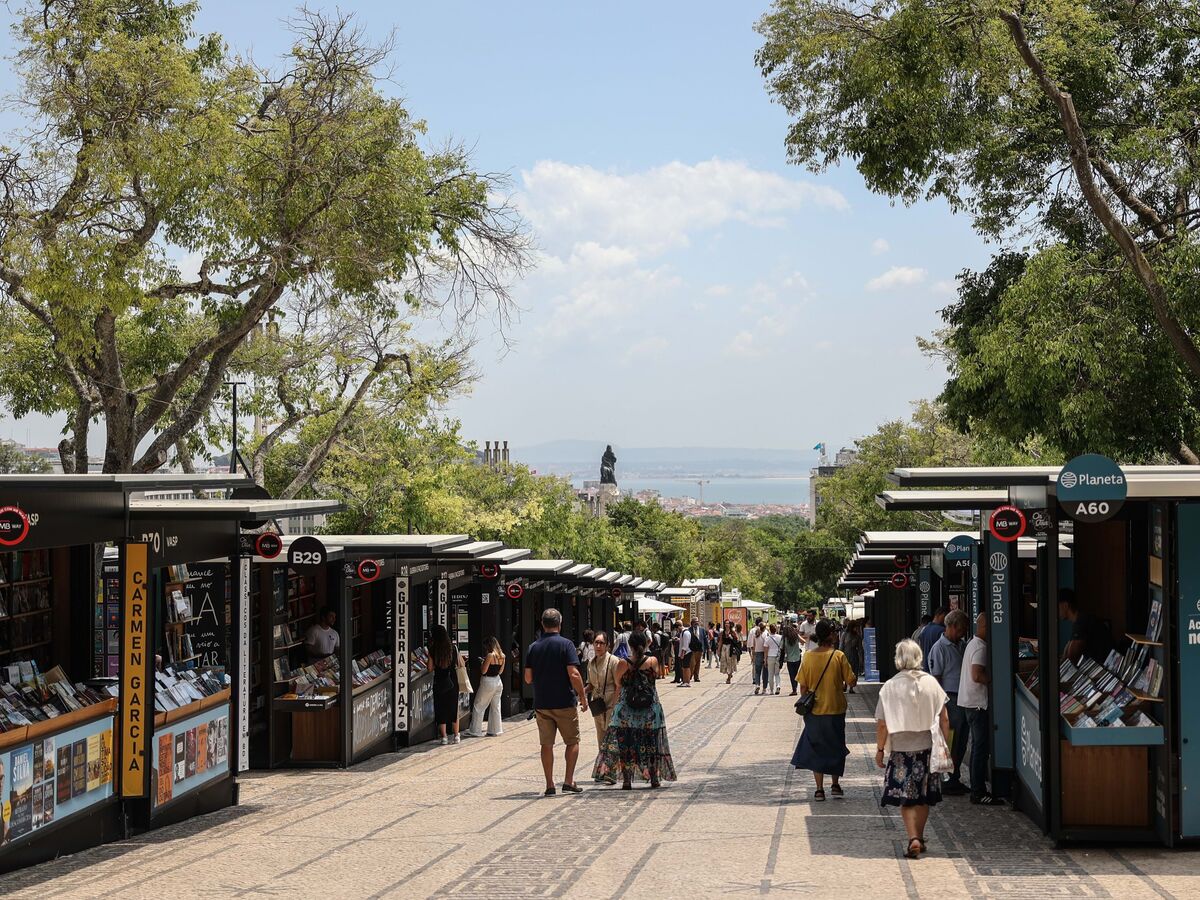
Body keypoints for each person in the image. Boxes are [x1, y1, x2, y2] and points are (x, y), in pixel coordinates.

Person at [875, 639, 951, 860]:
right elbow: (945, 719)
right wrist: (944, 746)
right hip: (927, 748)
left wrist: (880, 749)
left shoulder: (890, 686)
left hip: (901, 750)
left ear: (898, 659)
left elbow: (882, 724)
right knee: (923, 796)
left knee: (906, 797)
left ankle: (913, 838)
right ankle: (920, 835)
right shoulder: (931, 683)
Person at [592, 631, 677, 789]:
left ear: (629, 645)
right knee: (651, 744)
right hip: (650, 709)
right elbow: (657, 676)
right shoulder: (653, 661)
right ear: (645, 644)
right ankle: (654, 778)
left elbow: (618, 683)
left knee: (626, 745)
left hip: (627, 710)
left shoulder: (623, 663)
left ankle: (626, 780)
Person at [524, 608, 589, 795]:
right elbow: (574, 674)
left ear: (542, 624)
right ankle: (568, 781)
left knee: (546, 744)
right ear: (559, 624)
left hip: (542, 703)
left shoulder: (533, 647)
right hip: (564, 702)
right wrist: (582, 696)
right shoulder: (566, 645)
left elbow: (528, 678)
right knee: (572, 741)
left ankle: (549, 784)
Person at [791, 620, 857, 800]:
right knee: (836, 747)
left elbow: (803, 687)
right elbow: (851, 681)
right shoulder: (838, 656)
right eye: (834, 632)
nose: (836, 635)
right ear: (830, 635)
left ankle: (819, 789)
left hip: (814, 712)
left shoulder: (808, 657)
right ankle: (835, 785)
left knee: (817, 748)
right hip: (835, 709)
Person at [958, 611, 1003, 806]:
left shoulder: (973, 643)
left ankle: (978, 788)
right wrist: (994, 681)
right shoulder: (980, 647)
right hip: (977, 705)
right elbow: (976, 675)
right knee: (980, 749)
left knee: (978, 747)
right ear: (984, 626)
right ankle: (978, 791)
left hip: (971, 703)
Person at [927, 609, 969, 794]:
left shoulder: (962, 645)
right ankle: (946, 780)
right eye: (961, 629)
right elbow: (936, 679)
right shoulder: (939, 648)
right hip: (950, 699)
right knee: (950, 741)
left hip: (963, 699)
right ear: (951, 626)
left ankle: (954, 777)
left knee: (961, 741)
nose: (963, 632)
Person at [586, 631, 622, 782]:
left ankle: (611, 772)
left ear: (607, 646)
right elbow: (591, 684)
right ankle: (602, 769)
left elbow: (619, 685)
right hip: (597, 704)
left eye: (601, 643)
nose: (598, 646)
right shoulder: (591, 663)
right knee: (601, 737)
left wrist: (614, 704)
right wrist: (581, 693)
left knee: (611, 738)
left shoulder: (613, 661)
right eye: (596, 642)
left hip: (610, 702)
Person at [428, 624, 463, 745]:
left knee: (440, 708)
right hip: (452, 681)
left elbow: (429, 668)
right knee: (454, 708)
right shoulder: (453, 648)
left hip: (439, 681)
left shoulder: (432, 649)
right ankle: (456, 736)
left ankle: (444, 737)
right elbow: (460, 664)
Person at [1059, 588, 1114, 664]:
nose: (1056, 611)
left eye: (1057, 606)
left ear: (1065, 605)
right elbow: (1067, 652)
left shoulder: (1081, 622)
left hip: (1105, 667)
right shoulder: (1081, 619)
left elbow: (1071, 657)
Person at [466, 636, 506, 738]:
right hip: (498, 681)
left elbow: (483, 671)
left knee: (479, 705)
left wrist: (482, 662)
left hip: (488, 681)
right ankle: (495, 730)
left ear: (489, 646)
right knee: (496, 706)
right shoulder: (502, 656)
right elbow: (500, 671)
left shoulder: (490, 655)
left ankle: (475, 731)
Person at [782, 622, 803, 696]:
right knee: (796, 673)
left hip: (789, 659)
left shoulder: (784, 639)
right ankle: (795, 687)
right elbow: (803, 641)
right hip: (797, 657)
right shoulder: (796, 636)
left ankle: (794, 689)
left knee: (792, 675)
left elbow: (782, 648)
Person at [841, 620, 864, 688]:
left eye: (857, 627)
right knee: (845, 670)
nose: (856, 629)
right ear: (851, 627)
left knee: (854, 671)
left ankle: (851, 687)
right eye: (855, 627)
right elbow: (841, 646)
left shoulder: (857, 636)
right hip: (845, 655)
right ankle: (845, 684)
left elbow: (860, 649)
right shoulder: (844, 634)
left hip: (854, 656)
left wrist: (861, 659)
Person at [749, 619, 768, 695]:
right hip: (765, 653)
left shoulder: (756, 634)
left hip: (757, 653)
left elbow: (753, 645)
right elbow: (766, 646)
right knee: (765, 672)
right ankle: (764, 689)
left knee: (757, 671)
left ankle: (757, 685)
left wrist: (753, 655)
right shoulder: (766, 634)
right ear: (765, 627)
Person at [764, 622, 783, 695]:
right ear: (776, 629)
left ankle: (771, 690)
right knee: (777, 673)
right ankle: (778, 686)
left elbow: (766, 650)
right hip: (778, 656)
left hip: (770, 656)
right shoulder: (780, 637)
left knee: (770, 674)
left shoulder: (767, 638)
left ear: (770, 630)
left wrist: (765, 659)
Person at [677, 622, 696, 687]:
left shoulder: (686, 633)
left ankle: (687, 681)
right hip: (685, 652)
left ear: (679, 627)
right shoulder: (683, 633)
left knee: (686, 667)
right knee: (684, 667)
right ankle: (684, 681)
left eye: (677, 629)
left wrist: (682, 654)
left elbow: (685, 645)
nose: (677, 630)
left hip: (687, 652)